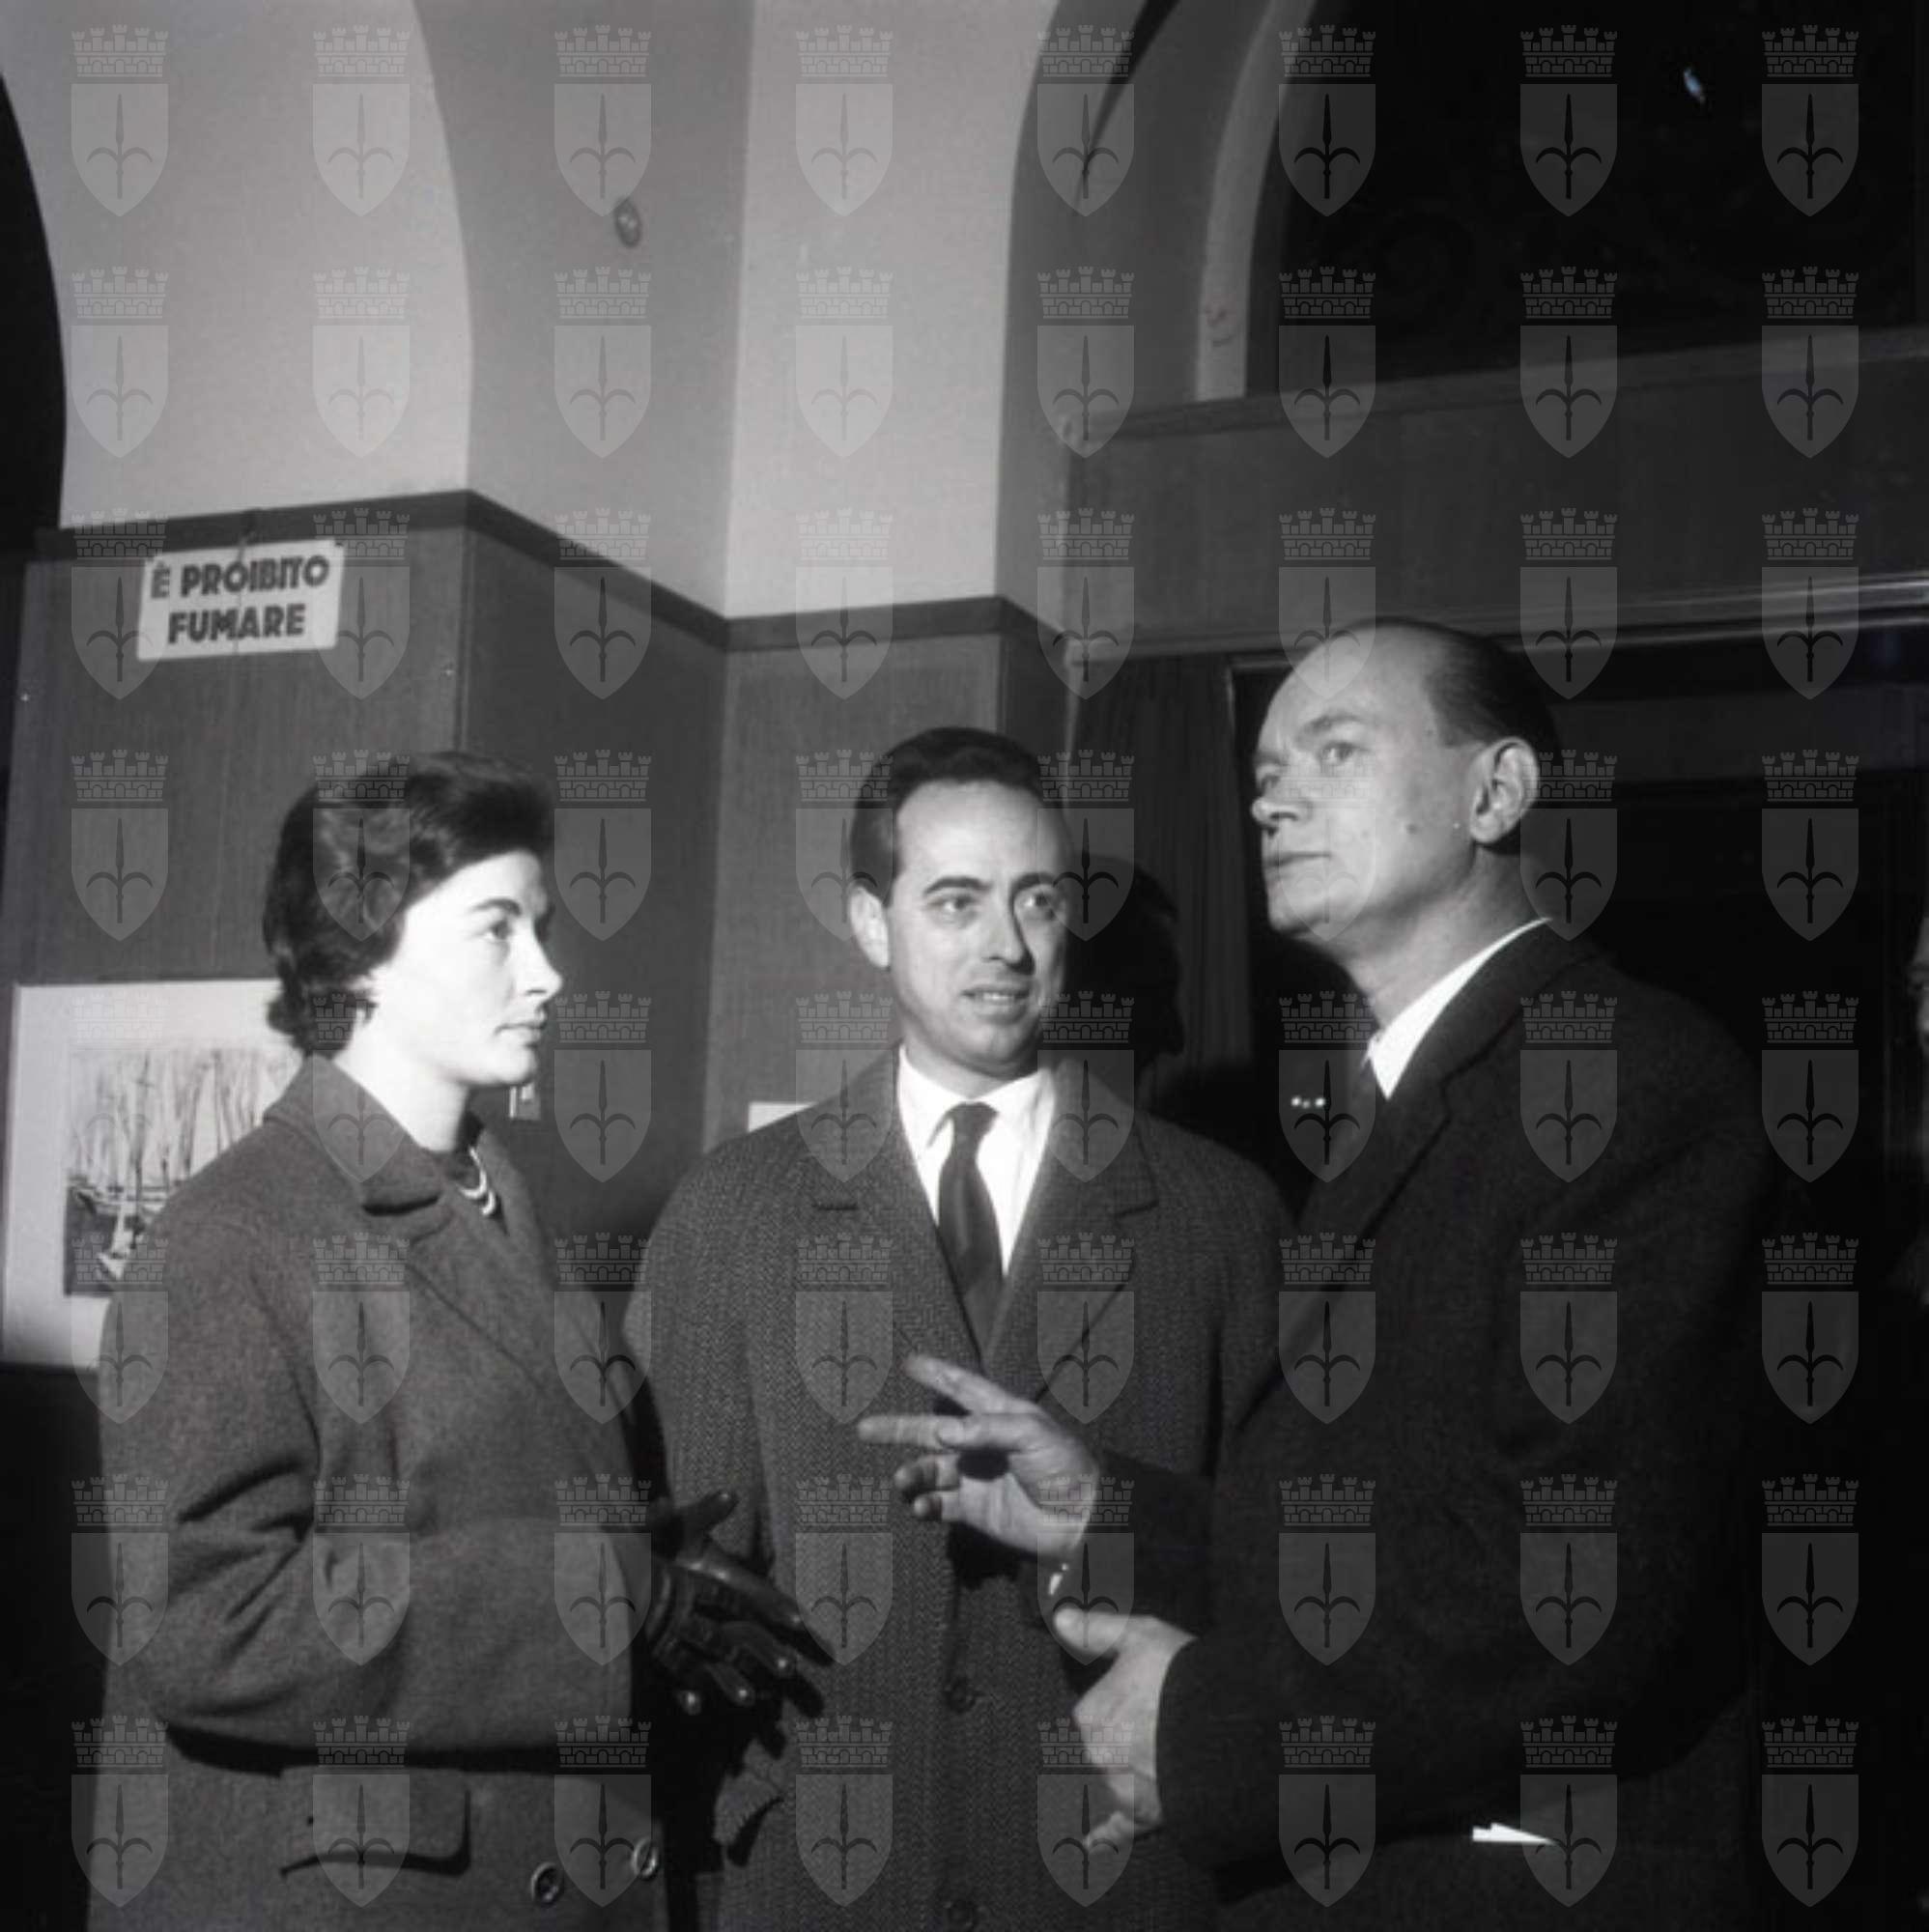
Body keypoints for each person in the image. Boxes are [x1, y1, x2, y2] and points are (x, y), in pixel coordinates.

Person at [863, 629, 1783, 1926]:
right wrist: (1107, 1516)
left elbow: (1573, 1590)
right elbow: (1383, 1522)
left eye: (1334, 752)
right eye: (1261, 775)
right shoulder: (1415, 1096)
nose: (1270, 802)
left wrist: (1202, 1733)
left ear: (1495, 792)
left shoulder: (1629, 1084)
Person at [90, 753, 808, 1930]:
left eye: (541, 927)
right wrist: (595, 1598)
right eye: (496, 929)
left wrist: (639, 1562)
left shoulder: (495, 1199)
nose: (547, 972)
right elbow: (198, 1622)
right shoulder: (233, 1232)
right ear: (359, 953)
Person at [632, 726, 1287, 1928]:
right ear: (869, 921)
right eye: (955, 900)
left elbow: (1287, 1572)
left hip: (1115, 1880)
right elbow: (690, 1602)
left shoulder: (1221, 1214)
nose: (1006, 945)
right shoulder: (730, 1210)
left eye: (1036, 898)